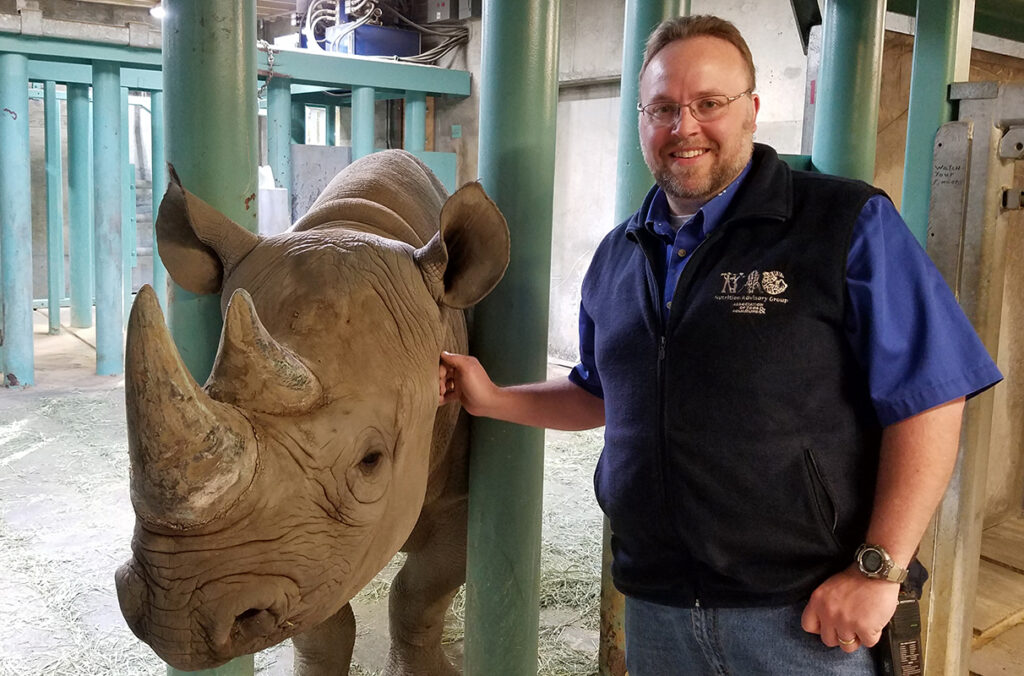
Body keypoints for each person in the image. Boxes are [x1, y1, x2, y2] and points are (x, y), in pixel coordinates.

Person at [439, 14, 1002, 675]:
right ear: (642, 121)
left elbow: (930, 398)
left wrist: (879, 569)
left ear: (752, 110)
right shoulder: (620, 255)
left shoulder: (841, 222)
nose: (685, 127)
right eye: (664, 108)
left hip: (805, 619)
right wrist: (494, 398)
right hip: (658, 610)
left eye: (709, 104)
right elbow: (600, 394)